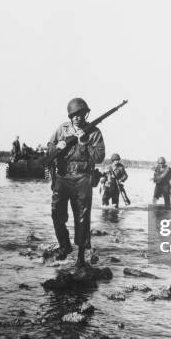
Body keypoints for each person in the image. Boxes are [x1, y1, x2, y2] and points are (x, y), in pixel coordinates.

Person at [48, 97, 105, 266]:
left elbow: (99, 157)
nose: (77, 118)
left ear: (86, 114)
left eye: (80, 114)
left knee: (82, 216)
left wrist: (86, 142)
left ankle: (81, 255)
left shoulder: (94, 132)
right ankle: (64, 246)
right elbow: (49, 147)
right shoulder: (62, 129)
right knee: (56, 213)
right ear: (70, 116)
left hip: (83, 178)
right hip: (63, 176)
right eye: (74, 115)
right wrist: (56, 148)